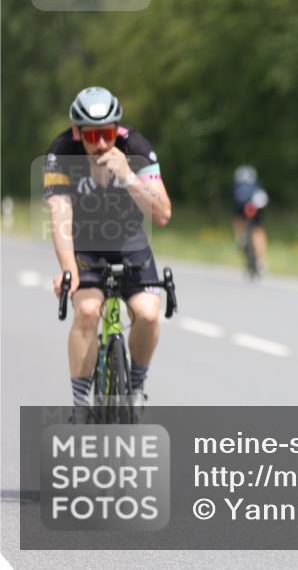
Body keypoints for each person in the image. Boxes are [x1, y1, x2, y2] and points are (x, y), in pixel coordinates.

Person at [45, 87, 172, 419]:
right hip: (86, 244)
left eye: (108, 133)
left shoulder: (137, 148)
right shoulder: (60, 152)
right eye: (92, 135)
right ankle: (80, 406)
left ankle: (136, 388)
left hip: (130, 243)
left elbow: (162, 214)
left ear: (117, 128)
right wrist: (68, 269)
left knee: (147, 313)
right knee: (87, 310)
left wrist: (128, 176)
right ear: (77, 132)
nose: (101, 143)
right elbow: (60, 216)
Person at [231, 164, 269, 273]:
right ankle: (261, 259)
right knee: (258, 229)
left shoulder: (237, 186)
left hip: (243, 208)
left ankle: (240, 237)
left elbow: (235, 204)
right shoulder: (257, 186)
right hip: (256, 207)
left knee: (237, 218)